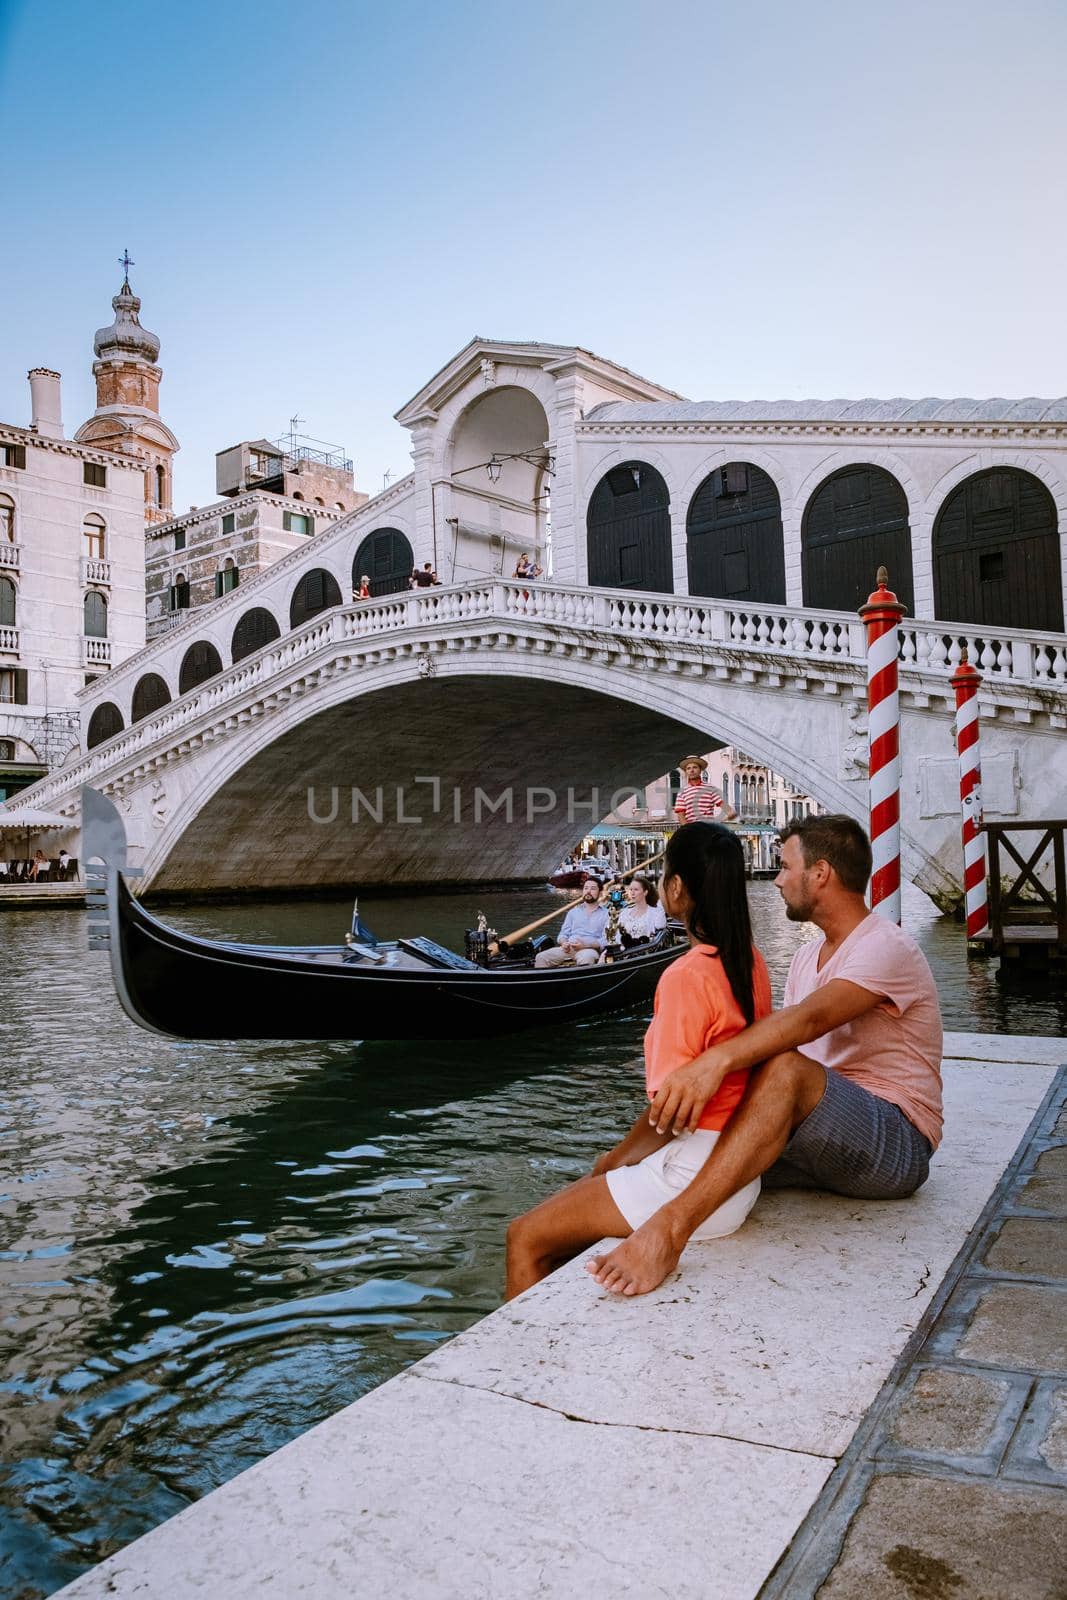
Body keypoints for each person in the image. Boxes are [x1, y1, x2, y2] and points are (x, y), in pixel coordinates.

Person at [586, 814, 944, 1296]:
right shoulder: (803, 957)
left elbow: (807, 1023)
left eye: (785, 866)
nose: (776, 879)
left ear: (820, 874)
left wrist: (713, 1062)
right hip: (817, 1134)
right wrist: (622, 1156)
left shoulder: (886, 946)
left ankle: (669, 1233)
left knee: (783, 1069)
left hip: (896, 1143)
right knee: (691, 1143)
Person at [507, 823, 770, 1298]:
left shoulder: (685, 976)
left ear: (675, 889)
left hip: (690, 1174)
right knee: (567, 1227)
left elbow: (668, 1115)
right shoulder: (751, 960)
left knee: (523, 1237)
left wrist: (613, 1159)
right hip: (737, 1175)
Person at [533, 877, 609, 968]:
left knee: (586, 959)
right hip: (569, 949)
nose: (588, 891)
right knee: (541, 957)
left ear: (600, 893)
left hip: (589, 949)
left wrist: (585, 945)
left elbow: (606, 940)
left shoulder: (606, 914)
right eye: (586, 888)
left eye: (592, 888)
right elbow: (563, 934)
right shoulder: (573, 912)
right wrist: (564, 943)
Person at [674, 754, 738, 823]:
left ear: (700, 770)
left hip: (708, 828)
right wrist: (688, 830)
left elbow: (727, 808)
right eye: (688, 768)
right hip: (691, 828)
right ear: (686, 772)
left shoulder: (710, 788)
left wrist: (729, 813)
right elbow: (681, 815)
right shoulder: (682, 792)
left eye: (695, 767)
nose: (691, 770)